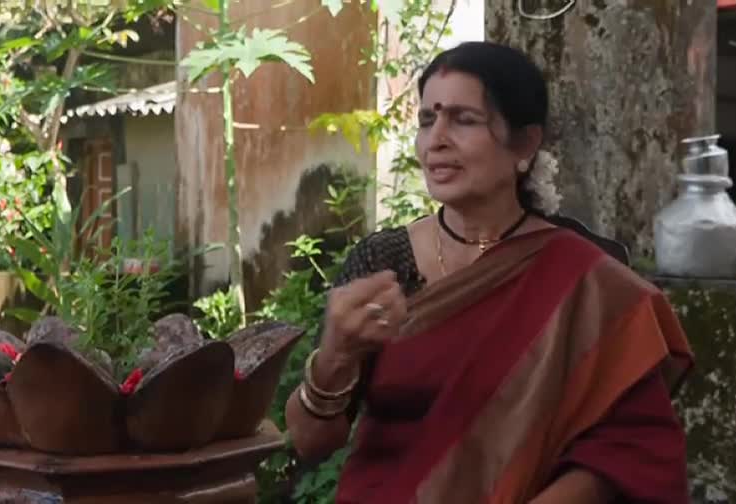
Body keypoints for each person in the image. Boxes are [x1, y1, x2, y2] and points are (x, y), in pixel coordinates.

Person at [284, 41, 694, 504]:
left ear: (524, 143)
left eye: (463, 119)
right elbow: (310, 444)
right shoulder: (384, 262)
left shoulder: (584, 276)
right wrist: (335, 356)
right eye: (426, 119)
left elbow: (628, 450)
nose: (436, 139)